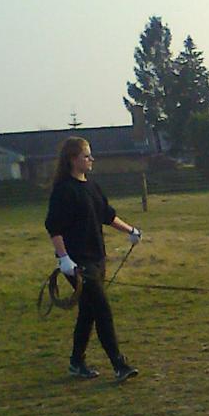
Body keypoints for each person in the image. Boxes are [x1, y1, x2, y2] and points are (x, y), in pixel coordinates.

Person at [44, 136, 142, 382]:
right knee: (102, 310)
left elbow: (107, 216)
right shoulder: (63, 191)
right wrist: (64, 259)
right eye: (86, 156)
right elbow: (53, 227)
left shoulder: (91, 187)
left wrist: (130, 231)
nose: (91, 159)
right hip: (77, 265)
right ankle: (119, 365)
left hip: (97, 259)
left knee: (87, 312)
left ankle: (76, 363)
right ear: (73, 159)